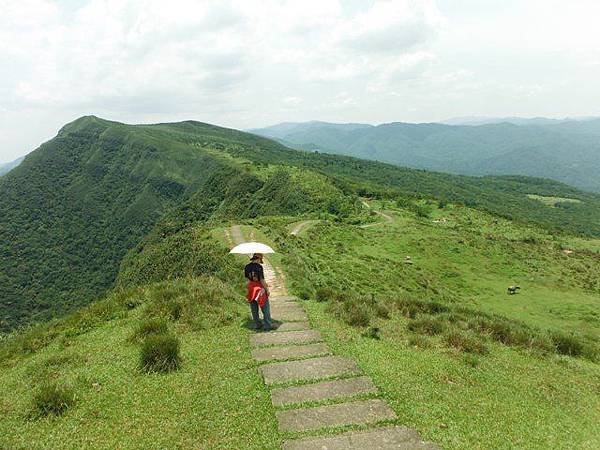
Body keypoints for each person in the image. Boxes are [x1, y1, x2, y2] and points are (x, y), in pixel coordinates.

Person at [245, 253, 272, 331]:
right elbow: (262, 280)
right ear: (258, 259)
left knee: (254, 308)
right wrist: (267, 290)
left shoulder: (247, 267)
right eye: (260, 260)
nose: (260, 262)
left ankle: (257, 324)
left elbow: (247, 280)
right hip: (259, 289)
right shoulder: (259, 267)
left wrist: (248, 289)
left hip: (251, 288)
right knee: (265, 307)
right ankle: (267, 325)